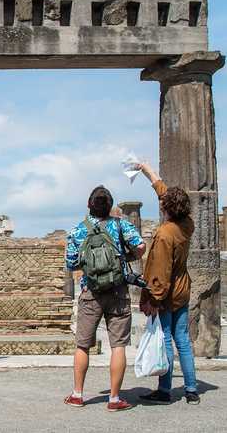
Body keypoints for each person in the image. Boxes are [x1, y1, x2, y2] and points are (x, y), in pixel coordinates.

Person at [64, 185, 146, 411]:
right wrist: (125, 256)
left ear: (88, 206)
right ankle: (114, 398)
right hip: (118, 290)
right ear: (110, 206)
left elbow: (71, 264)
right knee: (118, 345)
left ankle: (78, 394)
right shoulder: (121, 225)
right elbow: (141, 247)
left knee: (82, 345)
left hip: (91, 291)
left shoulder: (77, 231)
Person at [136, 163, 200, 405]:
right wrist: (146, 170)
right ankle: (191, 390)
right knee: (182, 339)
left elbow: (161, 274)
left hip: (167, 294)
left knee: (164, 339)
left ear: (166, 208)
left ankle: (164, 390)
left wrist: (154, 299)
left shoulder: (165, 234)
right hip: (183, 288)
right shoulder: (187, 224)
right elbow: (166, 194)